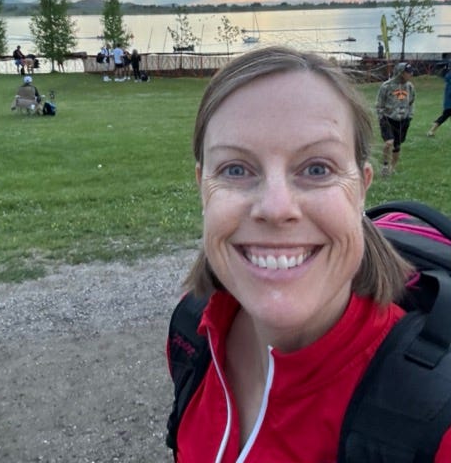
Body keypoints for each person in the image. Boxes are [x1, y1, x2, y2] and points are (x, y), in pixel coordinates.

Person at [166, 46, 451, 462]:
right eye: (236, 169)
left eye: (317, 169)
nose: (276, 208)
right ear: (202, 187)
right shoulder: (194, 329)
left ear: (361, 188)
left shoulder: (436, 425)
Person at [376, 61, 415, 177]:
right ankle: (384, 165)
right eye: (408, 73)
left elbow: (412, 101)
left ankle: (392, 168)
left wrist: (410, 115)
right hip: (388, 118)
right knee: (389, 142)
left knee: (397, 145)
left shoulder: (409, 86)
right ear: (400, 73)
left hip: (403, 119)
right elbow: (379, 104)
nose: (410, 75)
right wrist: (381, 117)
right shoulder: (386, 86)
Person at [427, 65, 451, 137]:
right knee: (443, 117)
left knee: (443, 117)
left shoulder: (448, 77)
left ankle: (431, 131)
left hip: (448, 104)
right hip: (449, 104)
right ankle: (431, 131)